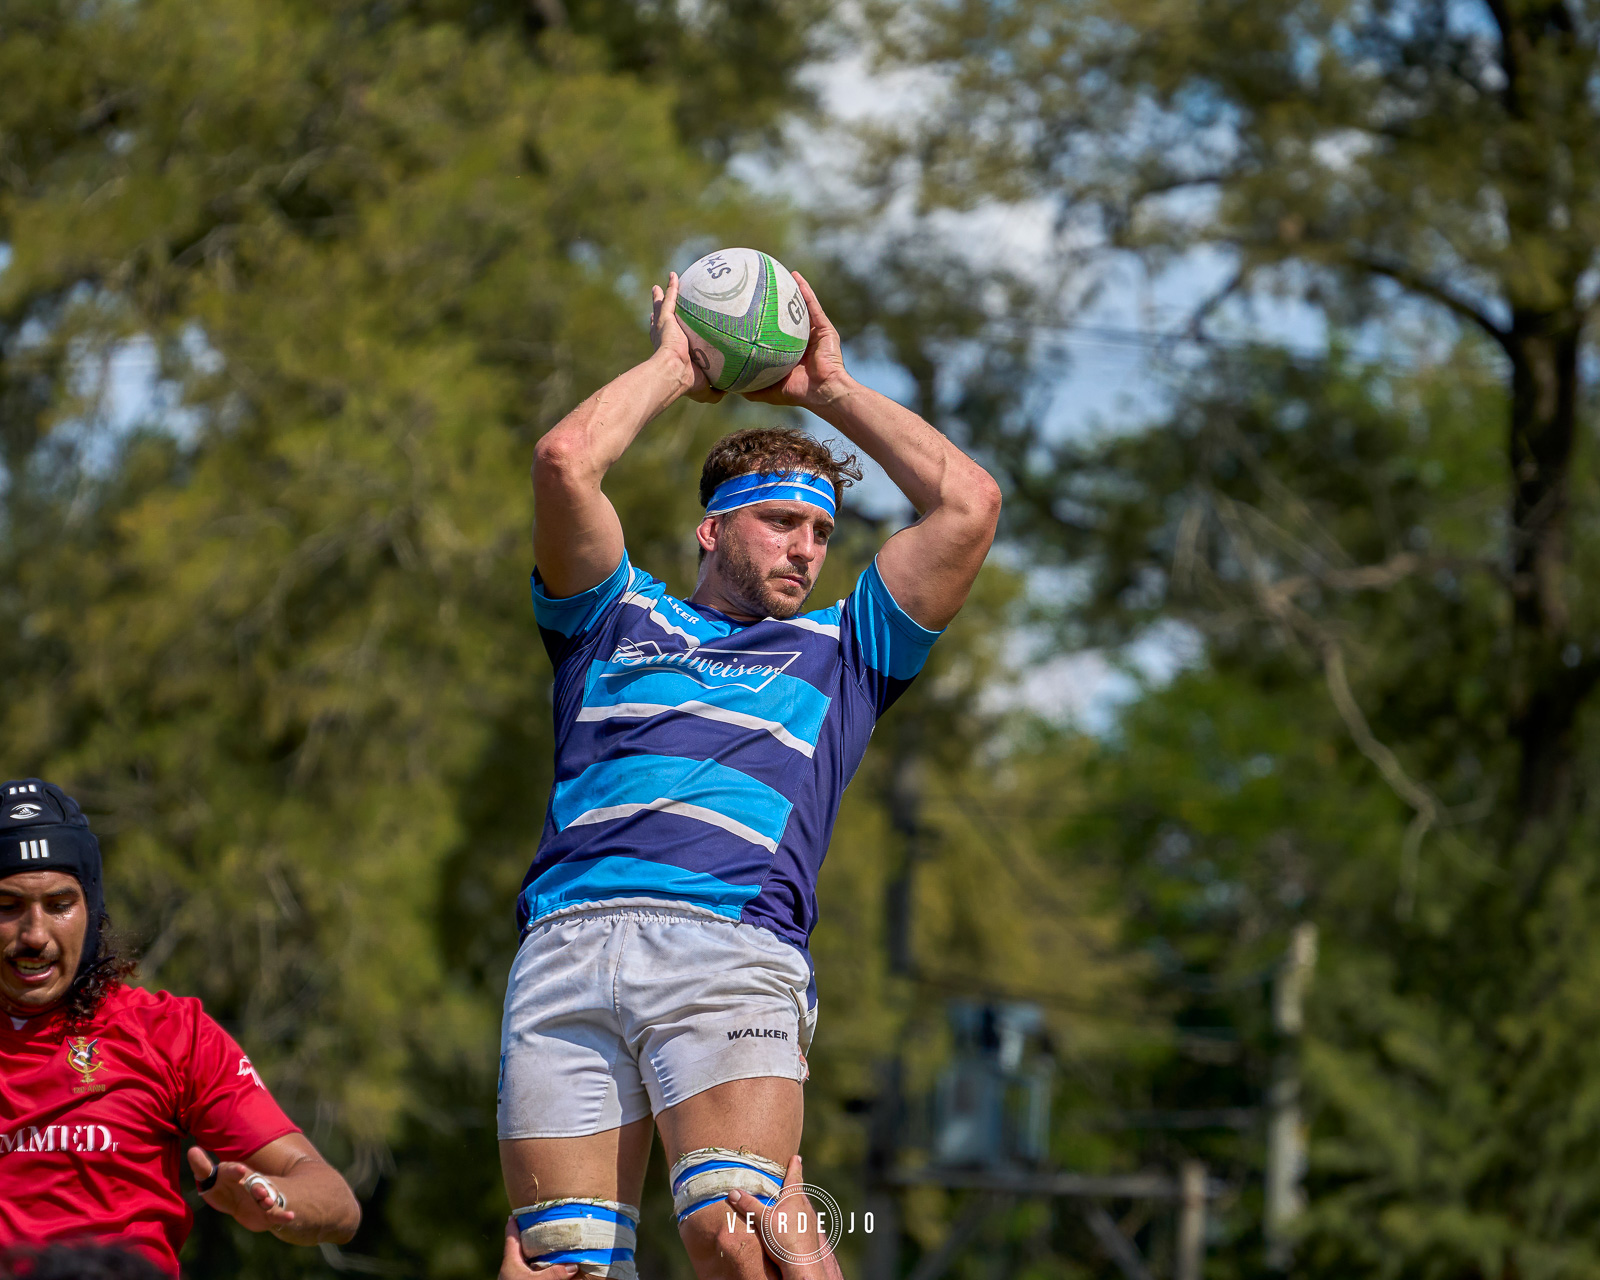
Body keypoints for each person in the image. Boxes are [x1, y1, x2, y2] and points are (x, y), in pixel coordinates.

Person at [499, 266, 1001, 1279]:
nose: (807, 547)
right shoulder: (611, 616)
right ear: (712, 526)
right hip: (562, 947)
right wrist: (671, 364)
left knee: (734, 1238)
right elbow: (564, 462)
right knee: (560, 1268)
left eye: (822, 531)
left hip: (724, 945)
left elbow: (966, 503)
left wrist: (832, 390)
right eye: (781, 520)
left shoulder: (844, 649)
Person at [0, 780, 361, 1275]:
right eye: (7, 907)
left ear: (92, 909)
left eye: (59, 904)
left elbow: (337, 1203)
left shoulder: (169, 1033)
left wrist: (275, 1199)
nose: (34, 935)